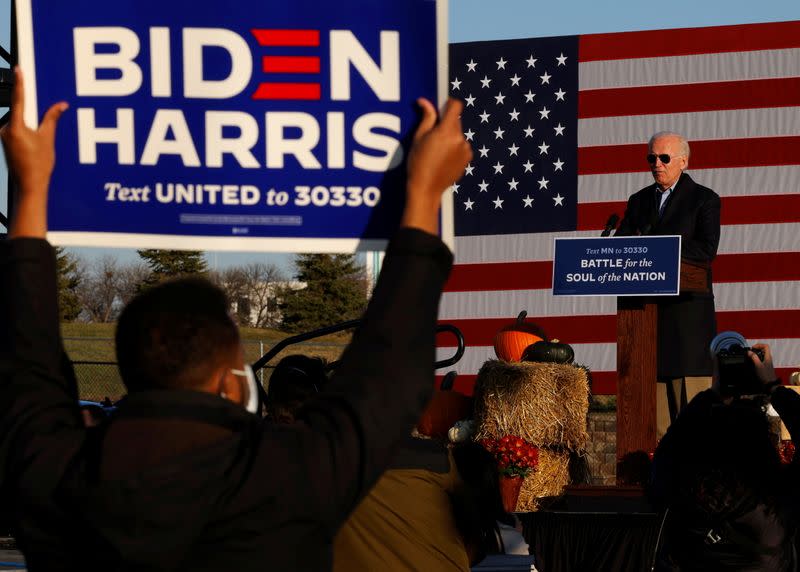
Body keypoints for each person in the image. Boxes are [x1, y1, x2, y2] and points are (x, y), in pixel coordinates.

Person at [0, 66, 472, 571]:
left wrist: (30, 190)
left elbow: (25, 357)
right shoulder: (289, 475)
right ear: (231, 383)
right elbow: (390, 369)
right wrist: (422, 195)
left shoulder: (56, 472)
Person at [650, 343, 800, 571]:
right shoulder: (777, 508)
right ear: (763, 446)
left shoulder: (684, 499)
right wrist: (773, 386)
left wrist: (712, 394)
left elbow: (662, 464)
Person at [615, 131, 721, 437]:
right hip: (644, 328)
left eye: (664, 158)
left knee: (693, 427)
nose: (656, 164)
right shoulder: (638, 201)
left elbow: (704, 251)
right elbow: (622, 246)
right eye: (651, 158)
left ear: (683, 161)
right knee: (655, 429)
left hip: (686, 326)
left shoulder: (704, 200)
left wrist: (659, 250)